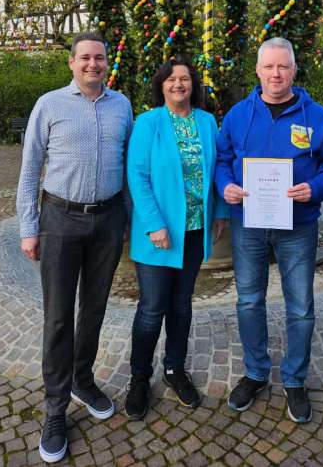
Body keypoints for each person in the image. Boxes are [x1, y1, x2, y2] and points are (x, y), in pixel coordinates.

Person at [215, 37, 323, 424]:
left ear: (294, 70)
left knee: (301, 305)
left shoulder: (316, 115)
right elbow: (223, 159)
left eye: (283, 67)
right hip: (249, 226)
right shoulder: (239, 114)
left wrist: (316, 188)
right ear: (258, 70)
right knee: (249, 300)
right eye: (269, 66)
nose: (276, 73)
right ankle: (256, 372)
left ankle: (294, 378)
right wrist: (226, 186)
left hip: (298, 225)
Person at [17, 32, 133, 464]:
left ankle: (83, 380)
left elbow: (126, 166)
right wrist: (29, 228)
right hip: (61, 220)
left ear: (107, 63)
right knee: (59, 316)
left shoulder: (122, 106)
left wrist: (127, 221)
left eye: (99, 58)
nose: (93, 64)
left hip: (107, 221)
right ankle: (54, 408)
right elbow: (30, 170)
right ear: (71, 62)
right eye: (85, 58)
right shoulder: (49, 104)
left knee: (95, 310)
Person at [125, 55, 229, 419]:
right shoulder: (149, 122)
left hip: (195, 230)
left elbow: (217, 168)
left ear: (193, 85)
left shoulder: (206, 121)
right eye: (171, 79)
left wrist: (219, 212)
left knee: (182, 304)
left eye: (184, 79)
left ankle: (174, 368)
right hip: (158, 233)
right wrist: (154, 223)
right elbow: (137, 175)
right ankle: (139, 378)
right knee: (152, 308)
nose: (178, 85)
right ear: (162, 84)